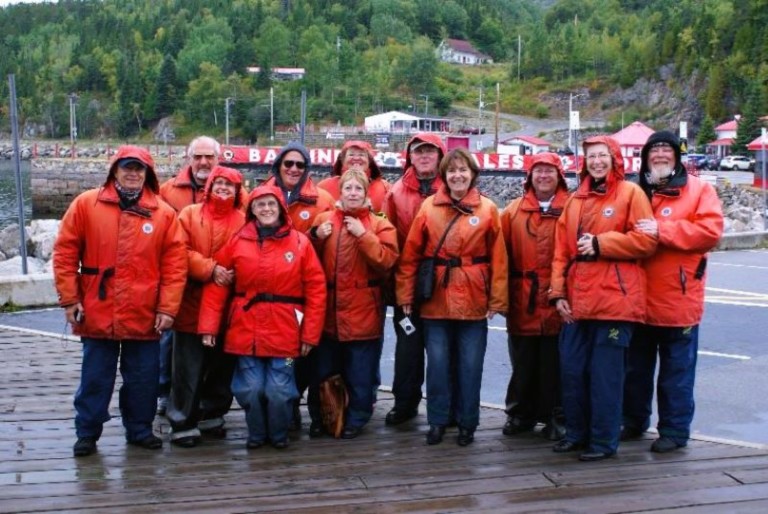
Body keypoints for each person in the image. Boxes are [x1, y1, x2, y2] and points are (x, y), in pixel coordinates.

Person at [53, 145, 187, 457]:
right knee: (95, 377)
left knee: (143, 379)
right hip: (97, 310)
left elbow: (175, 267)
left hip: (145, 312)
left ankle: (140, 430)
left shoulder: (165, 214)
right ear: (114, 169)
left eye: (139, 168)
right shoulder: (86, 204)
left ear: (148, 174)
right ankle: (87, 432)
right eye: (126, 166)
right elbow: (64, 253)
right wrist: (70, 299)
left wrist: (168, 308)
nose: (132, 173)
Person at [549, 135, 657, 462]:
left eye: (602, 156)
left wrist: (601, 244)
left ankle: (603, 441)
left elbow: (646, 241)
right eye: (591, 156)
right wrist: (557, 294)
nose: (596, 161)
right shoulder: (575, 199)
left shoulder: (631, 193)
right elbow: (560, 252)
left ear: (614, 158)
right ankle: (577, 433)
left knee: (605, 377)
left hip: (615, 303)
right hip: (578, 302)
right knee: (572, 371)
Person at [197, 185, 327, 449]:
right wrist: (209, 326)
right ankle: (256, 434)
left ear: (280, 208)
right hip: (247, 330)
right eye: (260, 205)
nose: (266, 209)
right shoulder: (237, 241)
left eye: (271, 204)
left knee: (279, 390)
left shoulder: (301, 243)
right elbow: (219, 283)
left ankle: (278, 434)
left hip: (287, 333)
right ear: (252, 210)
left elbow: (316, 289)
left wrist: (310, 334)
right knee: (251, 388)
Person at [396, 147, 508, 446]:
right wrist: (405, 294)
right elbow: (411, 256)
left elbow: (499, 259)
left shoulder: (487, 209)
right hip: (436, 299)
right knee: (438, 364)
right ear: (444, 176)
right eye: (452, 171)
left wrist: (497, 300)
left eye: (463, 170)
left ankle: (467, 422)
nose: (457, 175)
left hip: (474, 298)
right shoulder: (429, 208)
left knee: (471, 366)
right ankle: (437, 419)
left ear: (472, 174)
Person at [622, 131, 723, 453]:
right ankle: (633, 421)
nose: (661, 156)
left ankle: (675, 431)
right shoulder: (633, 190)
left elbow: (709, 232)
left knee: (676, 373)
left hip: (678, 301)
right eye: (655, 151)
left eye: (667, 150)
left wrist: (662, 230)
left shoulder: (699, 190)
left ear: (677, 156)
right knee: (634, 370)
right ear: (645, 157)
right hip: (636, 300)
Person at [157, 136, 247, 415]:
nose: (204, 162)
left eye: (210, 157)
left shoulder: (244, 214)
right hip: (186, 297)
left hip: (228, 305)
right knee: (181, 361)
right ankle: (175, 409)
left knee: (221, 364)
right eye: (198, 157)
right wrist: (210, 269)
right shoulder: (175, 199)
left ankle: (212, 414)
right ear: (189, 158)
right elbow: (173, 248)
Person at [309, 169, 399, 438]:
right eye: (347, 188)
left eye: (358, 189)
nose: (352, 193)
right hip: (329, 311)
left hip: (363, 311)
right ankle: (321, 417)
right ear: (340, 192)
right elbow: (303, 258)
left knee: (360, 372)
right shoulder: (324, 219)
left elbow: (387, 261)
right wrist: (314, 236)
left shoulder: (379, 224)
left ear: (366, 193)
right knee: (323, 370)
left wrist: (363, 235)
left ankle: (356, 418)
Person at [262, 141, 335, 430]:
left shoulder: (323, 199)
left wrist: (315, 237)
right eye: (288, 163)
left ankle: (294, 404)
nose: (293, 169)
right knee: (273, 353)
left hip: (305, 292)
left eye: (300, 165)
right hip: (271, 292)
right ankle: (278, 408)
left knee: (303, 354)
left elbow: (331, 245)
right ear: (278, 165)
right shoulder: (261, 196)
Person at [500, 152, 569, 441]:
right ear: (529, 176)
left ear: (559, 176)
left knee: (556, 362)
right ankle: (520, 413)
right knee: (523, 361)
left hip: (557, 298)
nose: (543, 176)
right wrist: (500, 297)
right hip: (523, 297)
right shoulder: (513, 211)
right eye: (538, 171)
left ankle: (555, 415)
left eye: (549, 171)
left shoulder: (573, 208)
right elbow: (500, 257)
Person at [382, 133, 446, 426]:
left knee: (442, 349)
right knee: (407, 347)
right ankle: (404, 403)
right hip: (407, 279)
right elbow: (389, 240)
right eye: (418, 151)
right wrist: (397, 287)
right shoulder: (395, 192)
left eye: (430, 151)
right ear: (410, 156)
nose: (424, 156)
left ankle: (445, 405)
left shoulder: (452, 187)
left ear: (440, 155)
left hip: (443, 281)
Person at [318, 140, 391, 212]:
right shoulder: (324, 187)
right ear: (343, 160)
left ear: (369, 161)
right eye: (351, 154)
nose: (356, 158)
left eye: (361, 155)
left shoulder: (385, 188)